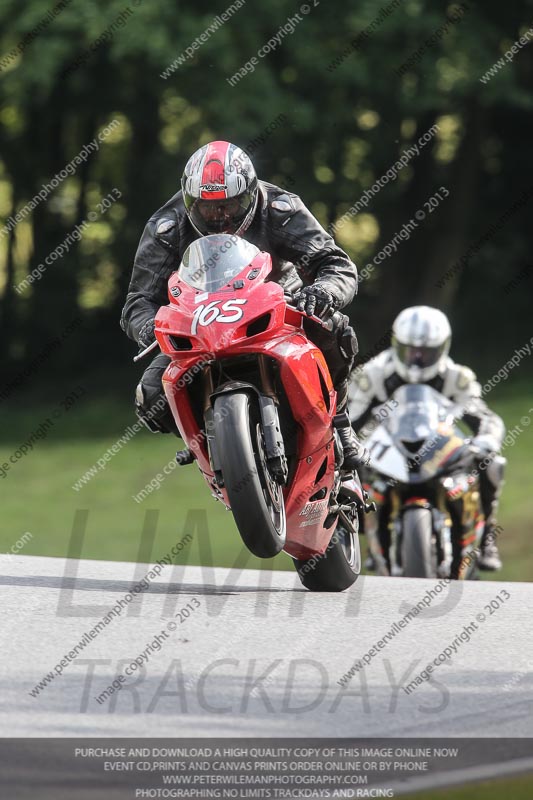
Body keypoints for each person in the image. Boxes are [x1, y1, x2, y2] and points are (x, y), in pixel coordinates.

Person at [121, 140, 369, 468]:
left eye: (231, 205)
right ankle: (209, 442)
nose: (220, 216)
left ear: (250, 195)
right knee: (152, 394)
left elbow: (334, 262)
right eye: (208, 208)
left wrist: (323, 292)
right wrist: (150, 327)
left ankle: (340, 422)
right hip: (199, 323)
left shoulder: (279, 209)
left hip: (278, 307)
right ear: (190, 201)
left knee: (335, 329)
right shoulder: (166, 226)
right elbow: (139, 299)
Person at [348, 305, 506, 571]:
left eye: (426, 352)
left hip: (438, 450)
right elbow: (351, 420)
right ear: (397, 344)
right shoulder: (372, 374)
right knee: (345, 465)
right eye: (410, 350)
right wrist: (351, 445)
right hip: (388, 451)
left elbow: (485, 417)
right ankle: (352, 533)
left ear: (442, 348)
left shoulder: (456, 377)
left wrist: (485, 441)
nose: (417, 358)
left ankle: (488, 536)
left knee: (492, 463)